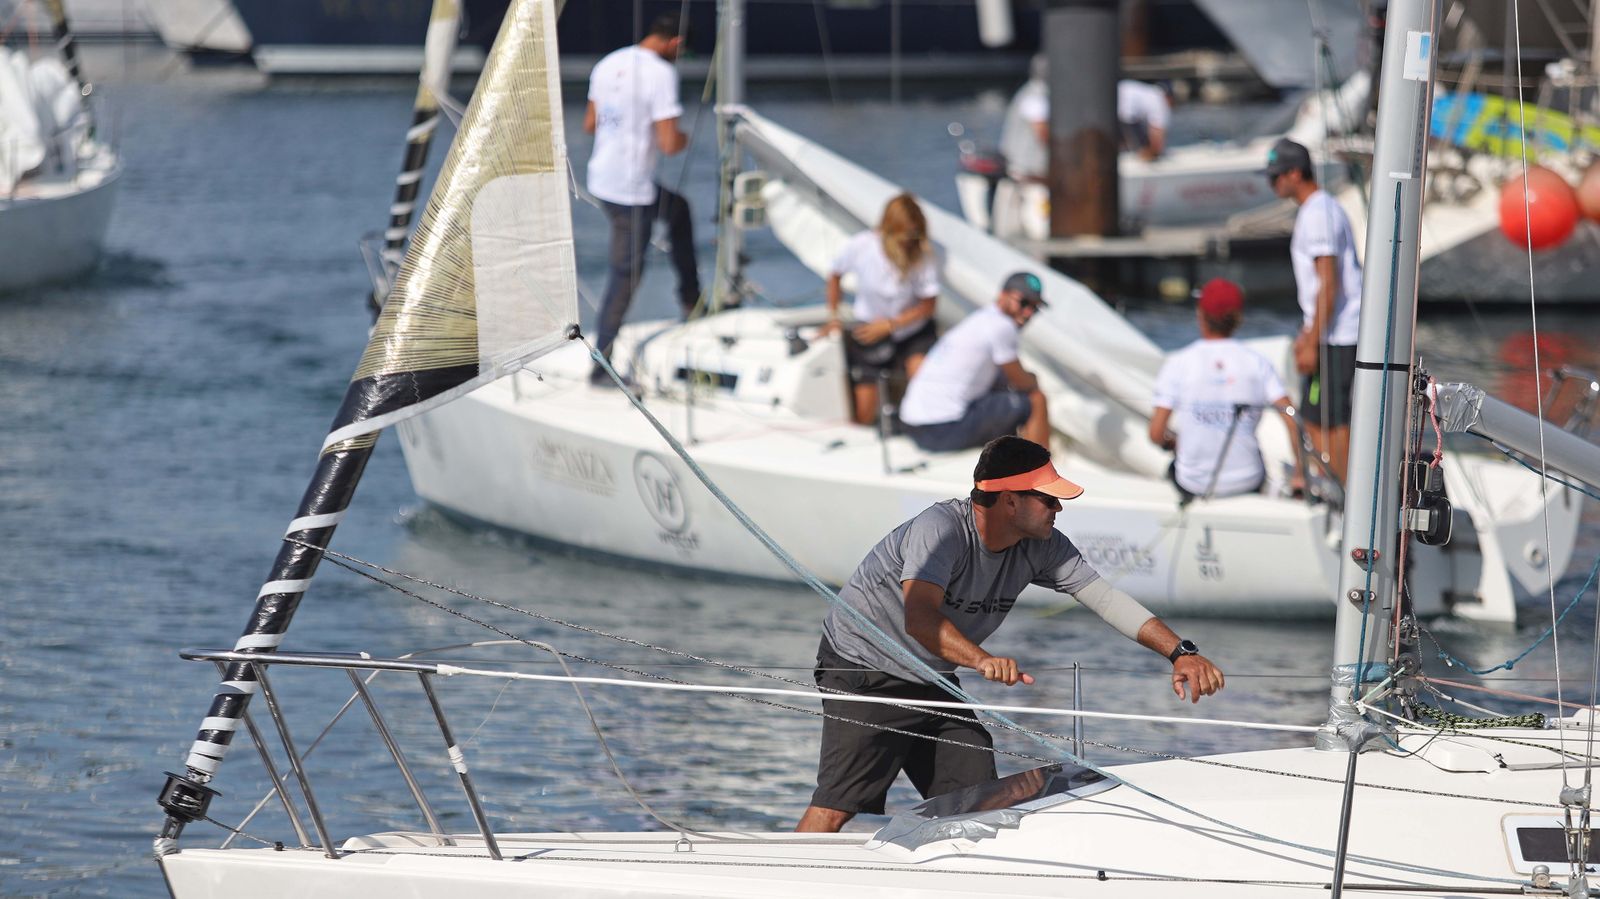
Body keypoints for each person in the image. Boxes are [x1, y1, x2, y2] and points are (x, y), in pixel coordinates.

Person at [794, 435, 1225, 833]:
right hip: (865, 668)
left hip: (931, 678)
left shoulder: (1044, 544)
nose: (1058, 509)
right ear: (1009, 501)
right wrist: (981, 659)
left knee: (978, 804)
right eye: (1048, 499)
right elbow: (919, 618)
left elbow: (1107, 599)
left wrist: (1180, 653)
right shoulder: (940, 530)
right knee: (838, 806)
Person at [584, 12, 700, 384]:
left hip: (603, 178)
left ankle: (692, 301)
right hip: (631, 189)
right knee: (627, 273)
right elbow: (669, 143)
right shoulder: (662, 73)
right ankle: (600, 364)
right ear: (675, 43)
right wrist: (685, 139)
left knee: (678, 210)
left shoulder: (609, 62)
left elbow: (590, 123)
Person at [1148, 278, 1298, 503]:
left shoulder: (1179, 363)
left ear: (1200, 314)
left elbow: (1156, 433)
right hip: (1247, 480)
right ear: (1238, 318)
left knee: (1175, 467)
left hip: (1194, 483)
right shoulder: (1258, 363)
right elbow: (1292, 418)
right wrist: (1300, 474)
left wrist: (1172, 443)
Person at [1265, 137, 1362, 481]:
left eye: (1275, 176)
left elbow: (1329, 284)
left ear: (1295, 173)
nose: (1271, 183)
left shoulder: (1319, 213)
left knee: (1332, 419)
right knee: (1315, 414)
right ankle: (1330, 483)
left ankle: (1343, 491)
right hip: (1329, 331)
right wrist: (1307, 333)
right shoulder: (1318, 210)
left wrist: (1312, 341)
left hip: (1338, 335)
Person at [897, 272, 1050, 452]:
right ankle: (1042, 473)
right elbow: (1023, 383)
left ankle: (1018, 462)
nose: (1028, 312)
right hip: (941, 430)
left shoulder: (981, 319)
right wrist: (1033, 379)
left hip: (914, 424)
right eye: (1024, 303)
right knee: (1036, 399)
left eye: (1035, 308)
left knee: (1004, 399)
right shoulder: (1002, 326)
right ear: (1002, 294)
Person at [823, 193, 940, 425]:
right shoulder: (862, 245)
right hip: (868, 330)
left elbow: (928, 305)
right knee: (864, 409)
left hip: (910, 332)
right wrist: (834, 316)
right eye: (905, 234)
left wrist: (890, 325)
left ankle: (920, 427)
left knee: (922, 379)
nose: (909, 240)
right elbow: (835, 275)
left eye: (915, 233)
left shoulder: (922, 254)